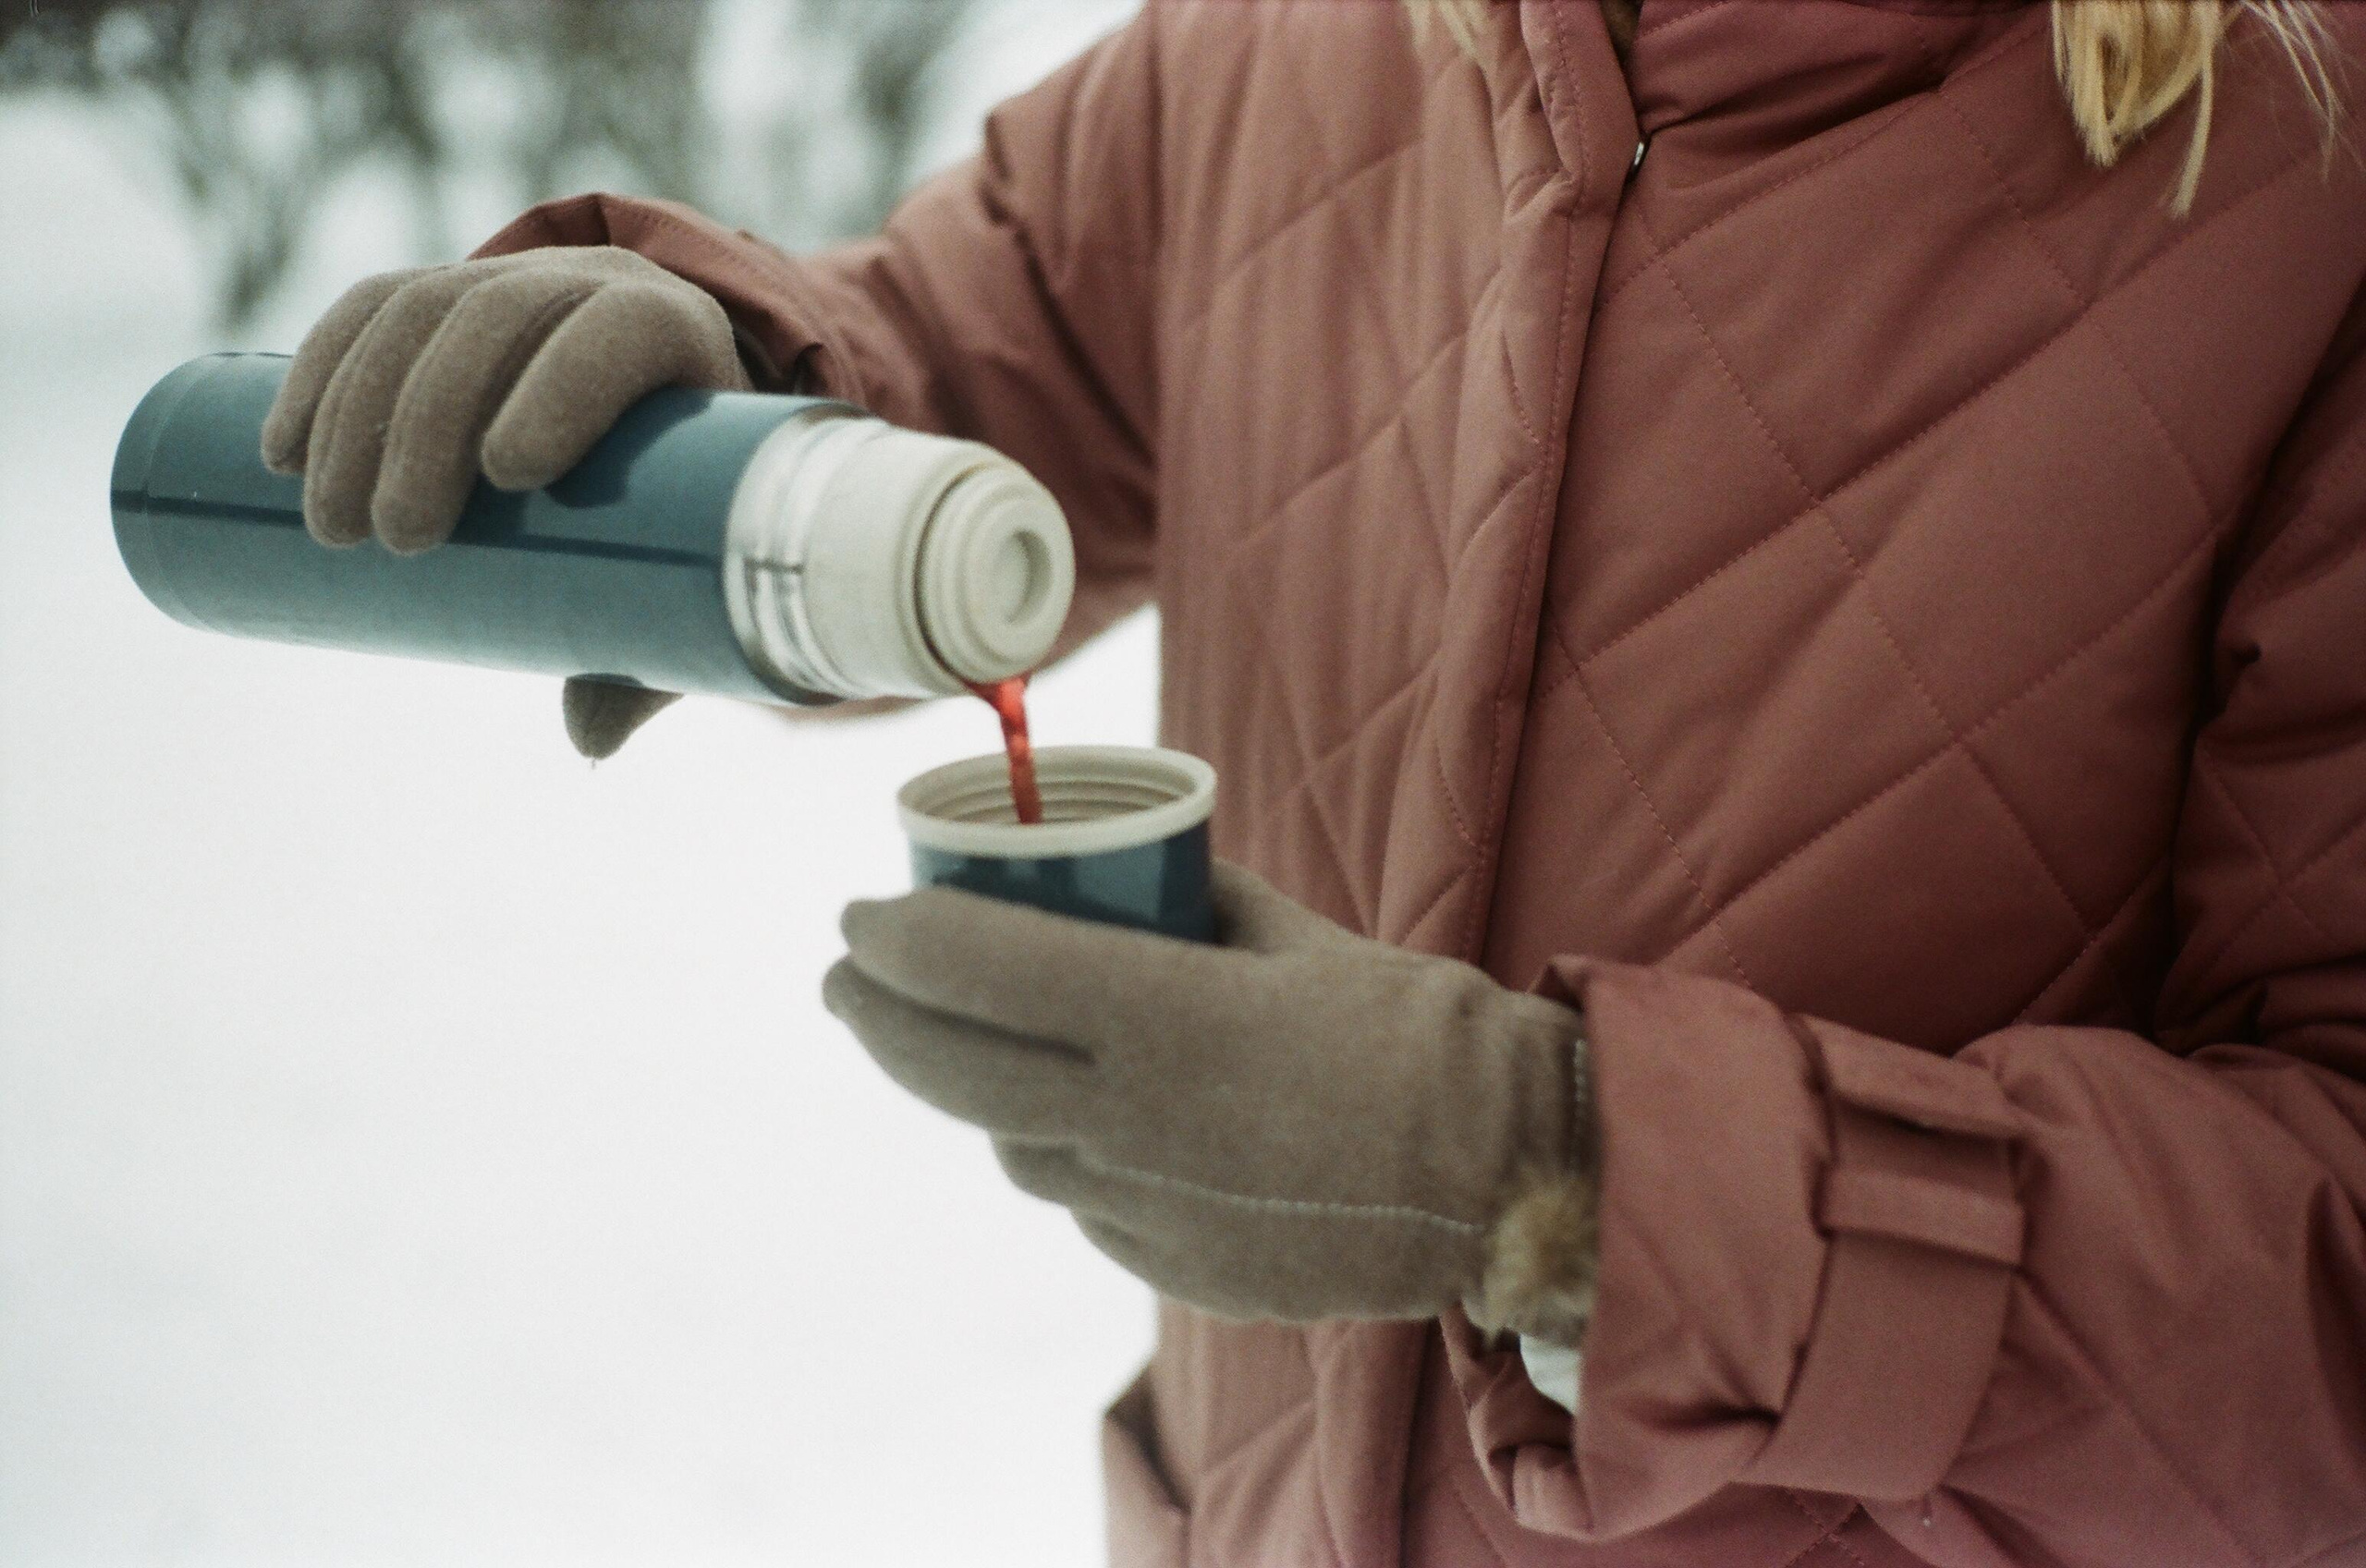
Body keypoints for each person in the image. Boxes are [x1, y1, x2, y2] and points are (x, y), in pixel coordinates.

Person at [262, 1, 2366, 1562]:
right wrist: (719, 398)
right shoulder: (1309, 37)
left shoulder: (2311, 171)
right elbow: (965, 360)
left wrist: (1553, 1176)